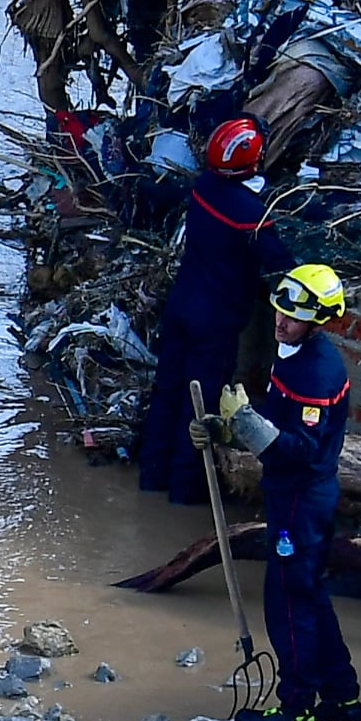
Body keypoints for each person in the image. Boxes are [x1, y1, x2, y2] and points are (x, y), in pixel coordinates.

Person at [218, 262, 361, 721]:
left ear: (319, 320)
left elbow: (302, 449)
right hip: (294, 495)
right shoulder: (294, 353)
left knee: (288, 602)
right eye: (279, 312)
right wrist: (229, 428)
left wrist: (246, 426)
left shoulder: (318, 372)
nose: (280, 322)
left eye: (292, 317)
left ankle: (296, 708)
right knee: (311, 596)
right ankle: (343, 697)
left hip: (302, 498)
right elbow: (277, 420)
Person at [139, 116, 290, 505]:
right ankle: (184, 493)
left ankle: (151, 479)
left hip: (182, 305)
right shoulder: (251, 213)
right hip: (216, 321)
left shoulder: (204, 187)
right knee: (200, 409)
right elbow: (280, 264)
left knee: (167, 391)